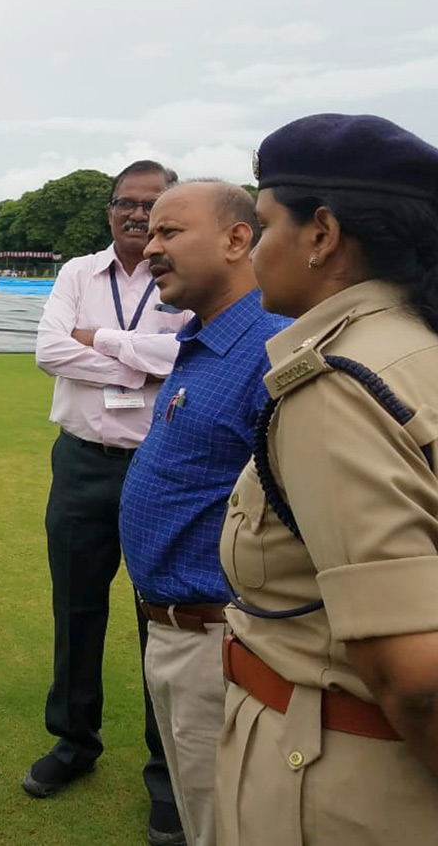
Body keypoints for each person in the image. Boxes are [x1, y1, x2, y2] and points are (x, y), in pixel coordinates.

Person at [216, 114, 438, 844]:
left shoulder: (339, 387)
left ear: (321, 234)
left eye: (264, 222)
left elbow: (418, 680)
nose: (252, 248)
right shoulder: (417, 349)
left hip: (344, 782)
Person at [119, 181, 288, 846]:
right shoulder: (202, 342)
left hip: (222, 643)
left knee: (226, 827)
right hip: (174, 635)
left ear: (237, 239)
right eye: (149, 232)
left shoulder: (277, 351)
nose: (149, 246)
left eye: (168, 232)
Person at [30, 160, 190, 846]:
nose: (137, 214)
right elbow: (47, 350)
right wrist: (140, 359)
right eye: (126, 203)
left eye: (151, 205)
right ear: (110, 212)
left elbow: (190, 355)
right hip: (82, 464)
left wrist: (105, 342)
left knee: (166, 623)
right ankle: (74, 744)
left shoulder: (188, 274)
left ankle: (169, 775)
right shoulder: (76, 274)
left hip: (162, 467)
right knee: (77, 609)